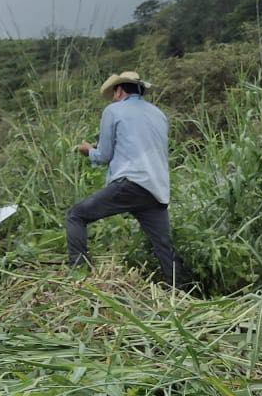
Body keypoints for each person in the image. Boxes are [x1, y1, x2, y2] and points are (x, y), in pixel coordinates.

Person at [67, 71, 187, 287]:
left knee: (76, 215)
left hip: (131, 182)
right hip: (156, 189)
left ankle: (79, 276)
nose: (113, 98)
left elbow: (103, 155)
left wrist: (87, 150)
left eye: (113, 93)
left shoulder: (113, 110)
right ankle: (181, 293)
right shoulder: (159, 114)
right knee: (163, 246)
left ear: (120, 90)